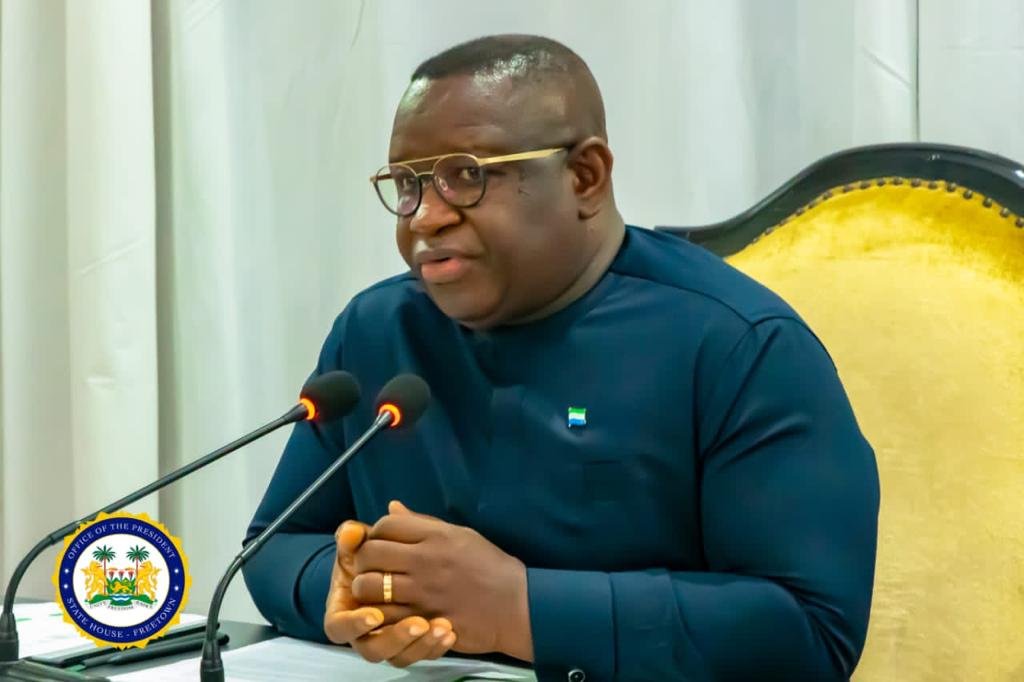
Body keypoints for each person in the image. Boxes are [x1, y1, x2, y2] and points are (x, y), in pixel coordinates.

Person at [243, 34, 879, 681]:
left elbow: (810, 631)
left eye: (466, 176)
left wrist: (519, 609)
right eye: (407, 185)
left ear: (584, 176)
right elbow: (274, 544)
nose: (425, 217)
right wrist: (349, 585)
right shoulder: (377, 330)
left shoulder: (741, 345)